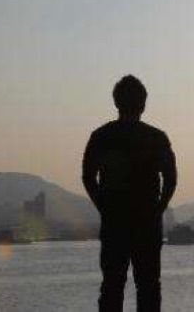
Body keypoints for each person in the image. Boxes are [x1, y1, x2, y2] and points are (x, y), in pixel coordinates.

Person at [82, 75, 177, 312]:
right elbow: (171, 180)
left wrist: (103, 207)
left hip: (114, 223)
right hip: (147, 224)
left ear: (116, 102)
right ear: (143, 104)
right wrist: (158, 210)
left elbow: (88, 177)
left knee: (112, 287)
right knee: (149, 288)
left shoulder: (101, 136)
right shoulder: (156, 138)